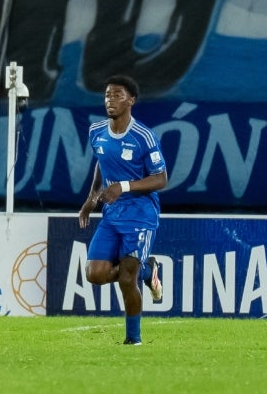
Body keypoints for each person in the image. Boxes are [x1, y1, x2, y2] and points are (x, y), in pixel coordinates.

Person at [77, 75, 167, 346]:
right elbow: (101, 161)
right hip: (112, 214)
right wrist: (92, 197)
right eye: (107, 95)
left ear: (131, 101)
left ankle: (133, 340)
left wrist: (123, 186)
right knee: (95, 275)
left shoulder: (144, 137)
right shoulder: (96, 131)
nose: (110, 100)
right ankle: (148, 269)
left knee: (127, 278)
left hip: (141, 214)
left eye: (117, 95)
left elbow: (161, 179)